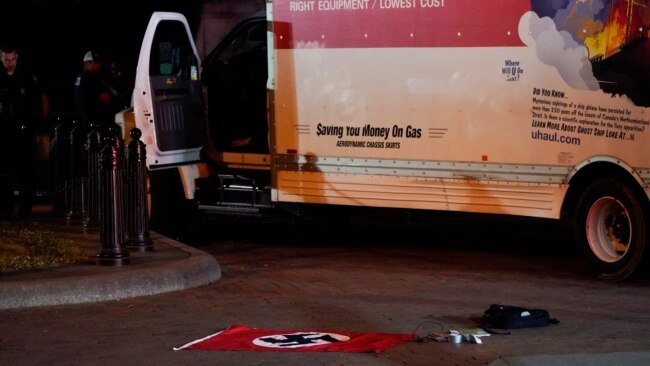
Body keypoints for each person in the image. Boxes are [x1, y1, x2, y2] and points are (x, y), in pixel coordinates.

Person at [0, 44, 50, 218]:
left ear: (17, 57)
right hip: (5, 130)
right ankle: (5, 207)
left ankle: (25, 207)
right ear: (1, 59)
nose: (10, 63)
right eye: (6, 59)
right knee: (5, 169)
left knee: (25, 169)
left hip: (25, 128)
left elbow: (43, 95)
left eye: (13, 59)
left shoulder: (26, 75)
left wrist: (43, 122)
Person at [74, 50, 113, 128]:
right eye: (95, 62)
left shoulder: (80, 76)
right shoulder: (91, 77)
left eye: (99, 62)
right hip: (93, 120)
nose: (99, 65)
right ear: (87, 63)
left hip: (83, 119)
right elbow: (107, 99)